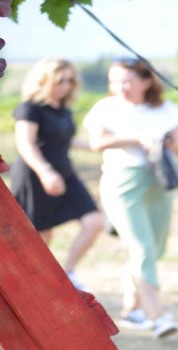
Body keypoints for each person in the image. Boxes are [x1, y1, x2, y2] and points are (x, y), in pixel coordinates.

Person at [83, 58, 178, 338]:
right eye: (115, 81)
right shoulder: (106, 108)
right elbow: (97, 143)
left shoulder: (166, 110)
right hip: (122, 183)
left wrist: (165, 142)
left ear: (146, 81)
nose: (120, 87)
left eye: (127, 80)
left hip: (159, 183)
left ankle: (131, 308)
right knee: (142, 249)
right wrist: (139, 138)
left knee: (155, 248)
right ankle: (157, 316)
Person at [11, 58, 104, 290]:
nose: (65, 85)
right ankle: (33, 285)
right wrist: (45, 172)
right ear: (44, 80)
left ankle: (67, 273)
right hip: (36, 175)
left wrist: (99, 145)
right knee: (41, 236)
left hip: (65, 173)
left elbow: (64, 139)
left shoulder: (63, 110)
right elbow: (25, 144)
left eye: (70, 80)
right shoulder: (29, 109)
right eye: (60, 80)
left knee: (94, 221)